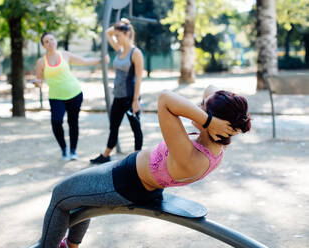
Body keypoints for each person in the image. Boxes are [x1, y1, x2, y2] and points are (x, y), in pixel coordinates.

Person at [32, 85, 251, 248]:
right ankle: (70, 246)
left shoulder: (192, 158)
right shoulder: (214, 143)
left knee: (60, 196)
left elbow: (165, 99)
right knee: (77, 201)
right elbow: (211, 89)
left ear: (214, 121)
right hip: (127, 175)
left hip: (122, 184)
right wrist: (216, 117)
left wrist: (207, 120)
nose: (199, 109)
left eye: (204, 108)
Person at [34, 32, 109, 161]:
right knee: (56, 122)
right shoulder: (41, 62)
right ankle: (64, 149)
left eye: (52, 39)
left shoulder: (65, 55)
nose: (50, 42)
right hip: (56, 97)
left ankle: (73, 151)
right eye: (46, 41)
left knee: (73, 122)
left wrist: (101, 60)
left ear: (55, 41)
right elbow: (39, 81)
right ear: (43, 45)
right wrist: (37, 83)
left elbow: (84, 61)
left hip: (74, 93)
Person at [90, 18, 144, 164]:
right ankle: (106, 155)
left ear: (127, 35)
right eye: (116, 36)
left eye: (119, 35)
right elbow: (108, 33)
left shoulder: (135, 53)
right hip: (118, 96)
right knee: (113, 126)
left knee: (135, 128)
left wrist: (135, 101)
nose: (116, 38)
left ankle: (137, 158)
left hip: (131, 97)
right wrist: (121, 23)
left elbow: (139, 78)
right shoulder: (119, 49)